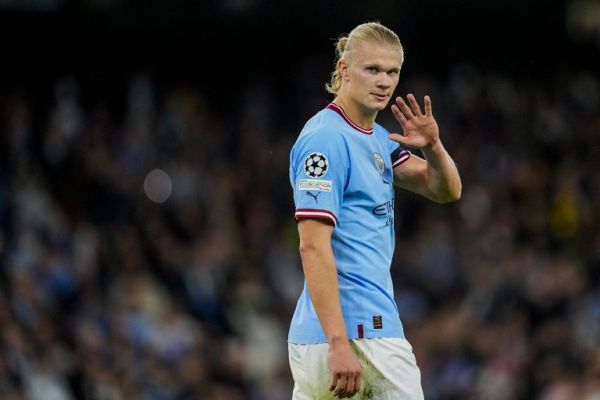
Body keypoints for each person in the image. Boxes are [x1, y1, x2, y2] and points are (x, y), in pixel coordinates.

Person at [288, 21, 462, 399]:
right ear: (344, 70)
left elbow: (444, 189)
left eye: (392, 72)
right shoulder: (325, 139)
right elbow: (312, 245)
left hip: (333, 336)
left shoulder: (378, 140)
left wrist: (433, 147)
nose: (384, 81)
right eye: (373, 69)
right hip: (359, 333)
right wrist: (338, 342)